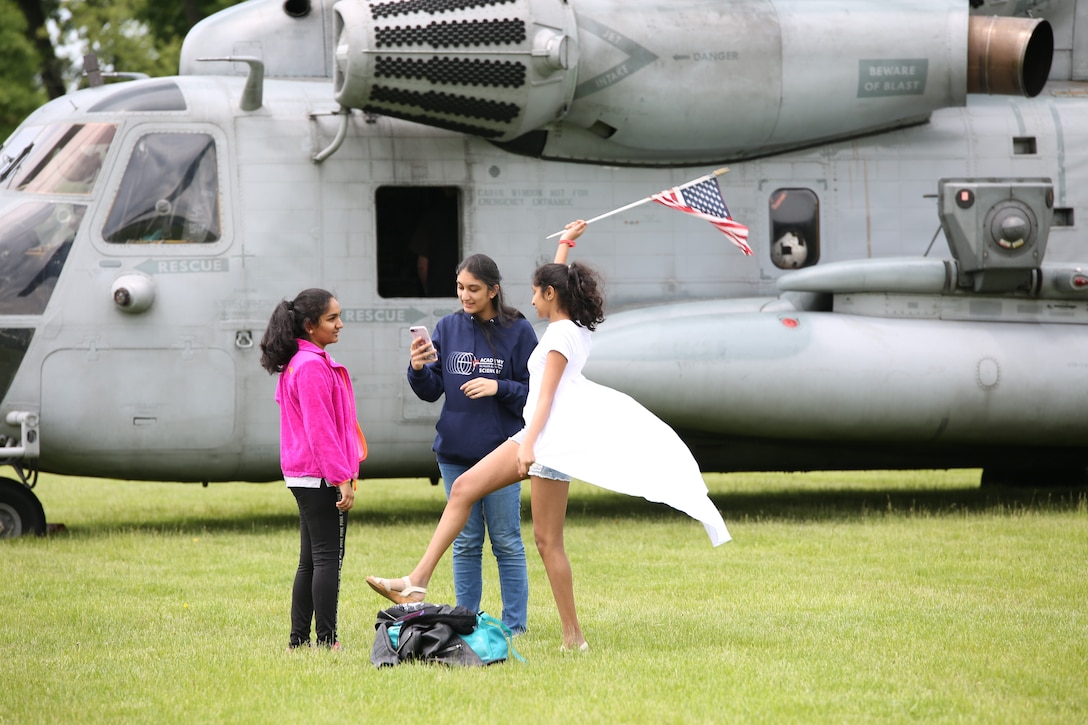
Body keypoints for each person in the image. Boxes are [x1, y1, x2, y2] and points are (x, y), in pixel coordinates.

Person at [367, 221, 730, 653]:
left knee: (545, 541)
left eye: (538, 292)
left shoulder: (559, 337)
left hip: (547, 440)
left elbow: (544, 399)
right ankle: (417, 583)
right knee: (468, 492)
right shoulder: (570, 325)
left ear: (551, 295)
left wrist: (530, 445)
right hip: (542, 437)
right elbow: (553, 286)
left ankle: (572, 637)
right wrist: (563, 245)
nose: (532, 299)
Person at [408, 254, 537, 633]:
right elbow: (432, 390)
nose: (465, 295)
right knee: (464, 543)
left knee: (506, 542)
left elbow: (536, 393)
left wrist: (499, 387)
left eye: (474, 289)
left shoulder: (519, 330)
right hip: (454, 452)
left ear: (493, 290)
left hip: (501, 452)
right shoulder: (447, 328)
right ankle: (466, 622)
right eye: (461, 287)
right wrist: (417, 369)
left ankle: (515, 626)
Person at [259, 288, 366, 650]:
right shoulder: (311, 367)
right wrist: (341, 478)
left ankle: (298, 641)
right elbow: (320, 431)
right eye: (332, 319)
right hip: (319, 475)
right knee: (327, 560)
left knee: (311, 560)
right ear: (309, 325)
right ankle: (327, 640)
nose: (340, 324)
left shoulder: (299, 363)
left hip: (305, 473)